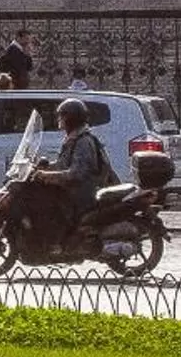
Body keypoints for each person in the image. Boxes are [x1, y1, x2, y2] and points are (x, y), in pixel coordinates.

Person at [14, 97, 113, 250]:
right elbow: (63, 164)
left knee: (43, 202)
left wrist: (47, 176)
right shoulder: (73, 138)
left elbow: (76, 173)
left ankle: (55, 243)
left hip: (82, 193)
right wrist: (41, 168)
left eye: (62, 116)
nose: (59, 120)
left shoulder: (83, 141)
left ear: (71, 118)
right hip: (75, 189)